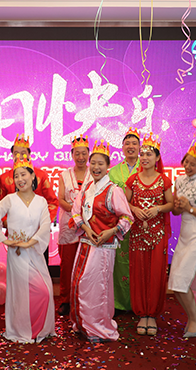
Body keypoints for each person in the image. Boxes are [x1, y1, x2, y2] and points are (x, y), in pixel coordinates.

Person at [0, 153, 56, 343]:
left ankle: (39, 328)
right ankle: (22, 329)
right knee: (21, 293)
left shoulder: (41, 201)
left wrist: (29, 243)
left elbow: (45, 226)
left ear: (33, 176)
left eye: (23, 174)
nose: (20, 179)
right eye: (16, 176)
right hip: (17, 254)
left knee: (44, 290)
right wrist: (4, 240)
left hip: (34, 252)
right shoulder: (10, 199)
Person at [68, 140, 133, 343]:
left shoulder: (114, 190)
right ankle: (83, 324)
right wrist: (86, 229)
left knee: (98, 287)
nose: (96, 167)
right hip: (86, 243)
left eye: (100, 164)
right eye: (93, 163)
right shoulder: (87, 188)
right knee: (81, 283)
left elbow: (127, 218)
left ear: (108, 166)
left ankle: (99, 327)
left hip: (103, 247)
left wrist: (110, 232)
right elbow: (75, 211)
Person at [125, 133, 174, 336]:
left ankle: (152, 314)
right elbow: (124, 203)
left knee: (155, 274)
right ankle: (141, 313)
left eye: (149, 154)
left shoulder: (164, 180)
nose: (144, 158)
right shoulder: (132, 180)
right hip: (137, 234)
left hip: (157, 234)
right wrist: (134, 209)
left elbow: (171, 204)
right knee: (139, 272)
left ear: (157, 157)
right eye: (142, 154)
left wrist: (158, 209)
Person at [168, 142, 196, 338]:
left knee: (181, 281)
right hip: (185, 234)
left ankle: (194, 319)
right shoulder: (179, 181)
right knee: (175, 283)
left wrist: (189, 208)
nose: (188, 167)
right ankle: (193, 317)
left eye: (193, 164)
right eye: (186, 162)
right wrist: (178, 207)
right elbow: (176, 212)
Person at [56, 136, 92, 316]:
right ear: (72, 155)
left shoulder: (94, 173)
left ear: (88, 154)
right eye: (77, 153)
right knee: (67, 265)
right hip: (69, 225)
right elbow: (61, 199)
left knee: (87, 265)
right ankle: (66, 300)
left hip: (89, 225)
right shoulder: (64, 175)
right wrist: (76, 211)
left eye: (83, 153)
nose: (80, 157)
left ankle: (85, 300)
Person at [108, 128, 141, 314]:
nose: (130, 146)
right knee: (119, 264)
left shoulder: (146, 168)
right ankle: (119, 303)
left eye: (134, 143)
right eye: (127, 143)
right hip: (120, 224)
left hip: (142, 223)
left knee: (139, 264)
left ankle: (139, 303)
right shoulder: (113, 172)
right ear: (122, 147)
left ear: (139, 147)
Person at [0, 134, 58, 223]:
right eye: (16, 153)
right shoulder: (4, 178)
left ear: (29, 154)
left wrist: (43, 222)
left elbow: (52, 202)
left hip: (39, 226)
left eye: (23, 153)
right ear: (12, 155)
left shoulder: (41, 175)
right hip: (13, 226)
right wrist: (7, 222)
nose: (19, 156)